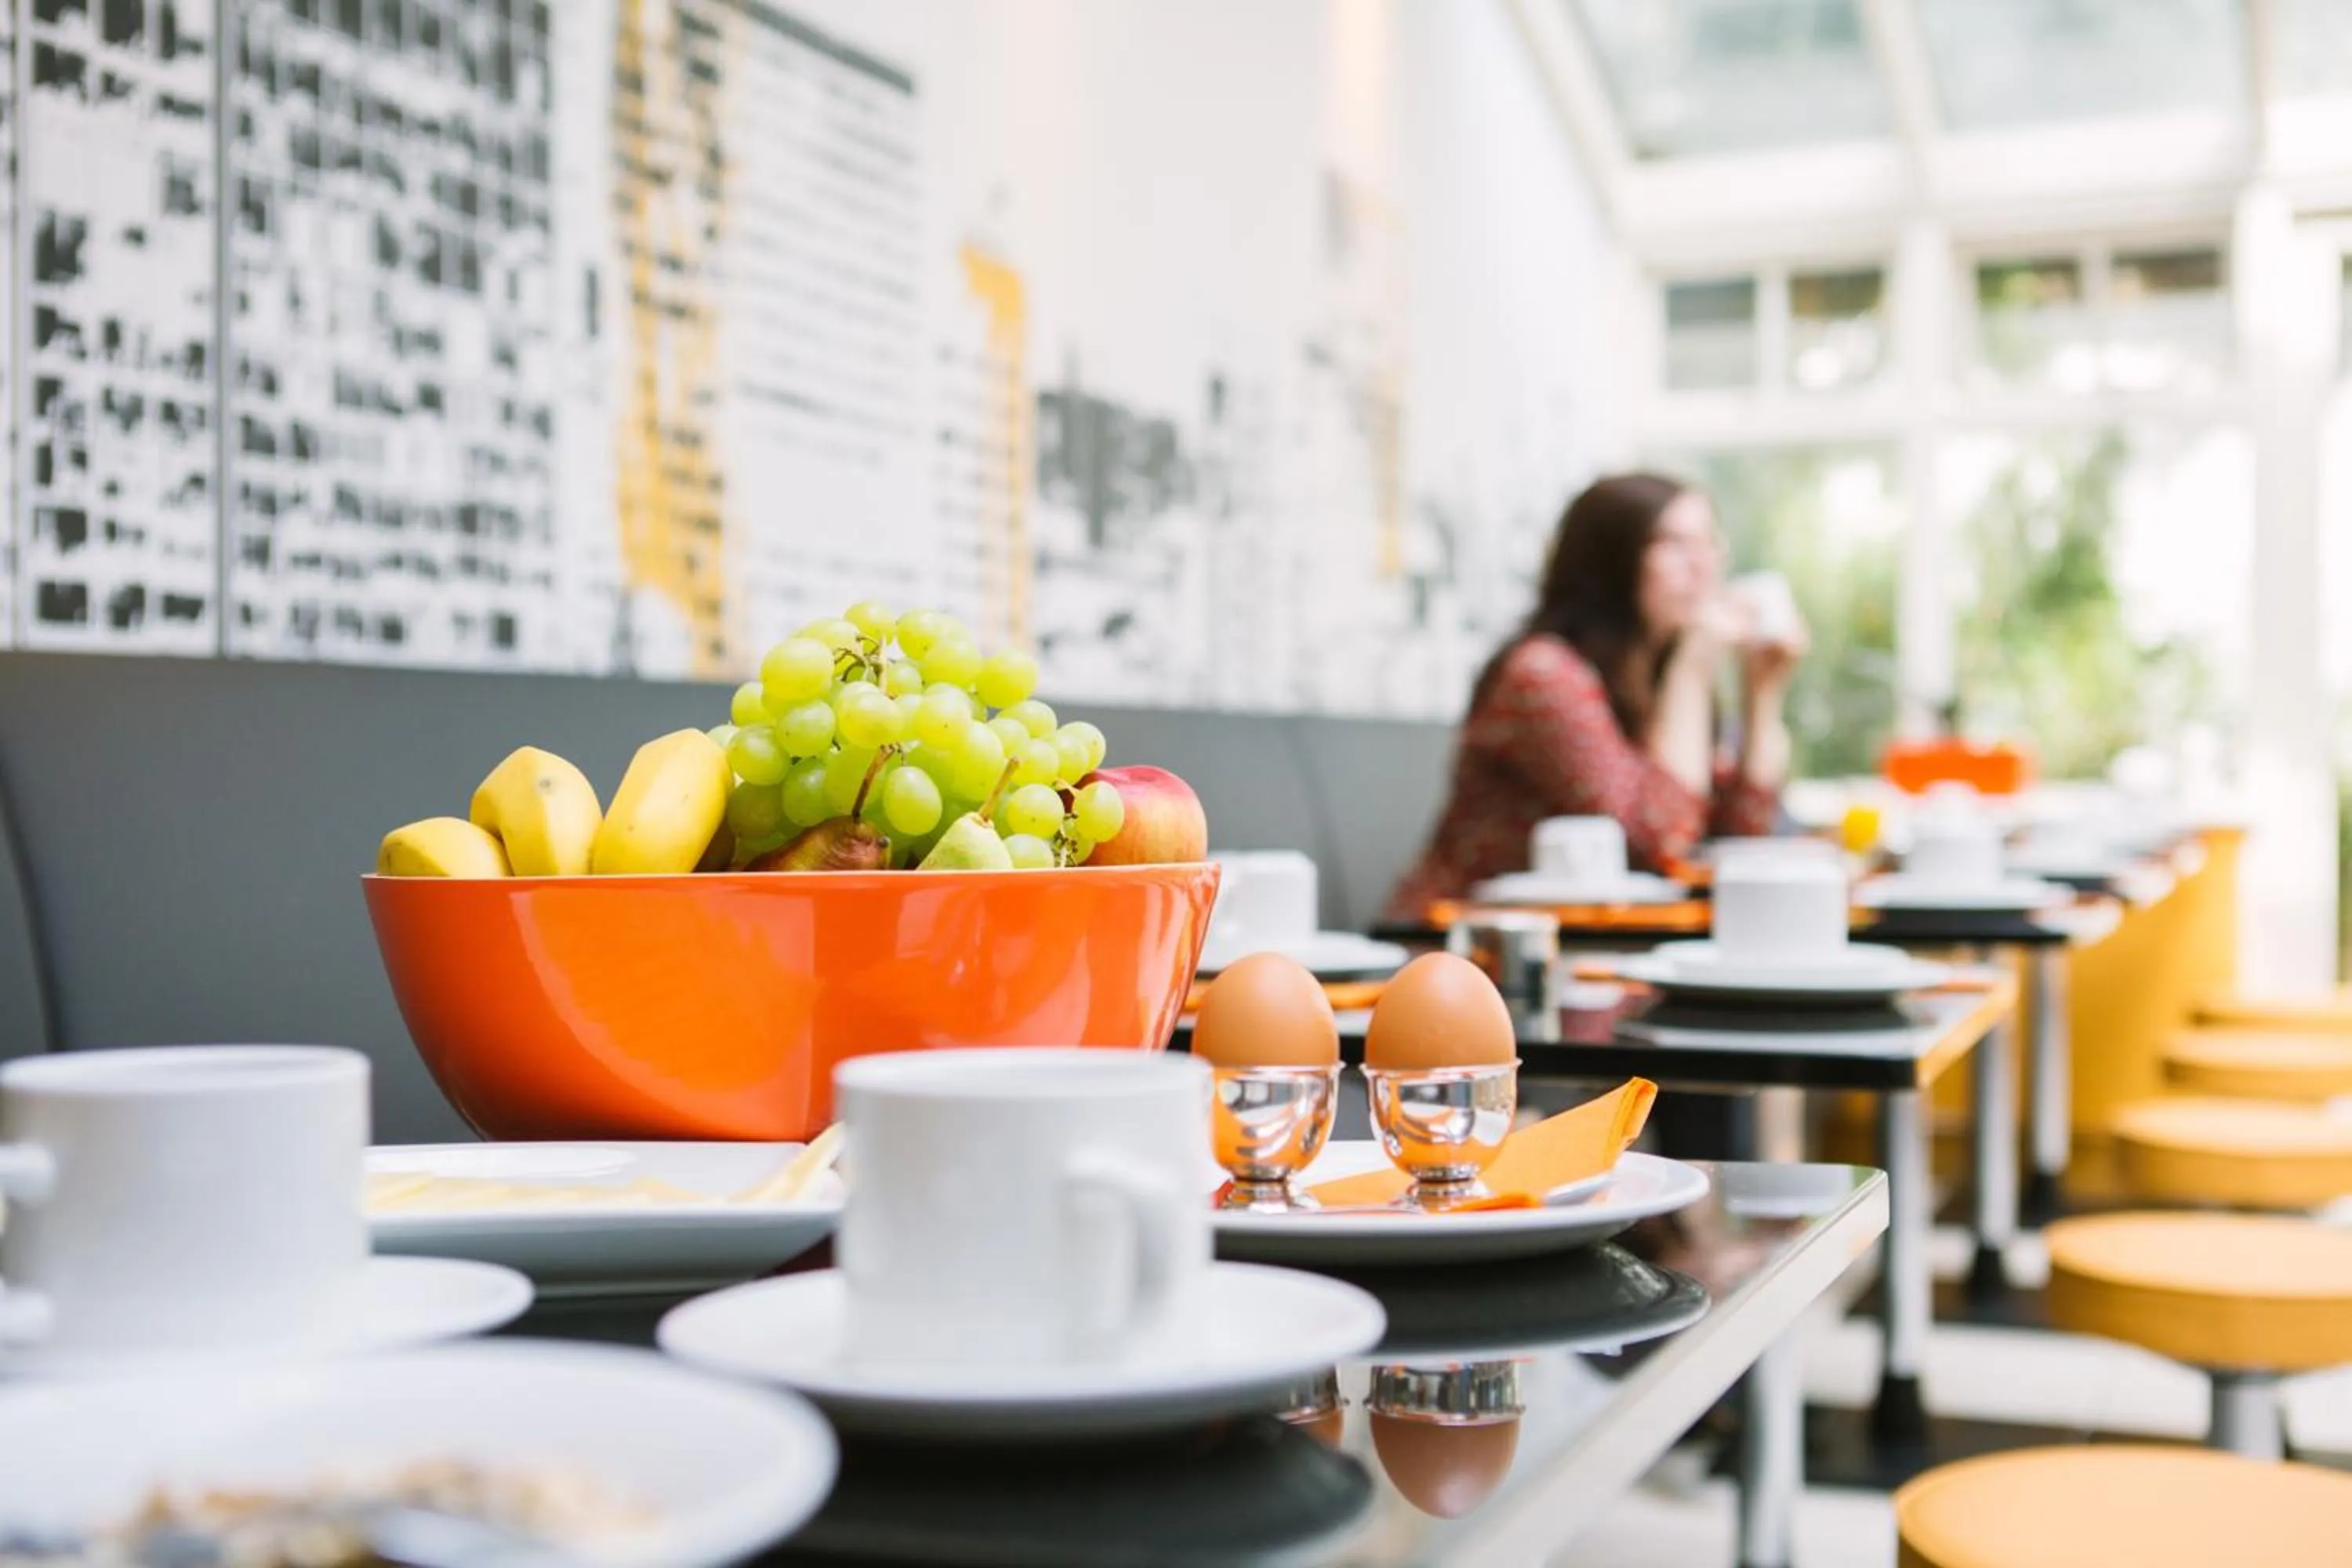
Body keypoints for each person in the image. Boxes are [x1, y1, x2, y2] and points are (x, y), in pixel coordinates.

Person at [1387, 472, 1807, 918]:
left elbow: (1742, 842)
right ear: (1611, 562)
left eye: (1709, 544)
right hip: (1469, 949)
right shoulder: (1542, 674)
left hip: (1595, 948)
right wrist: (1693, 671)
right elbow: (1659, 843)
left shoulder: (1653, 681)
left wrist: (1763, 693)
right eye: (1673, 544)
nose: (1703, 566)